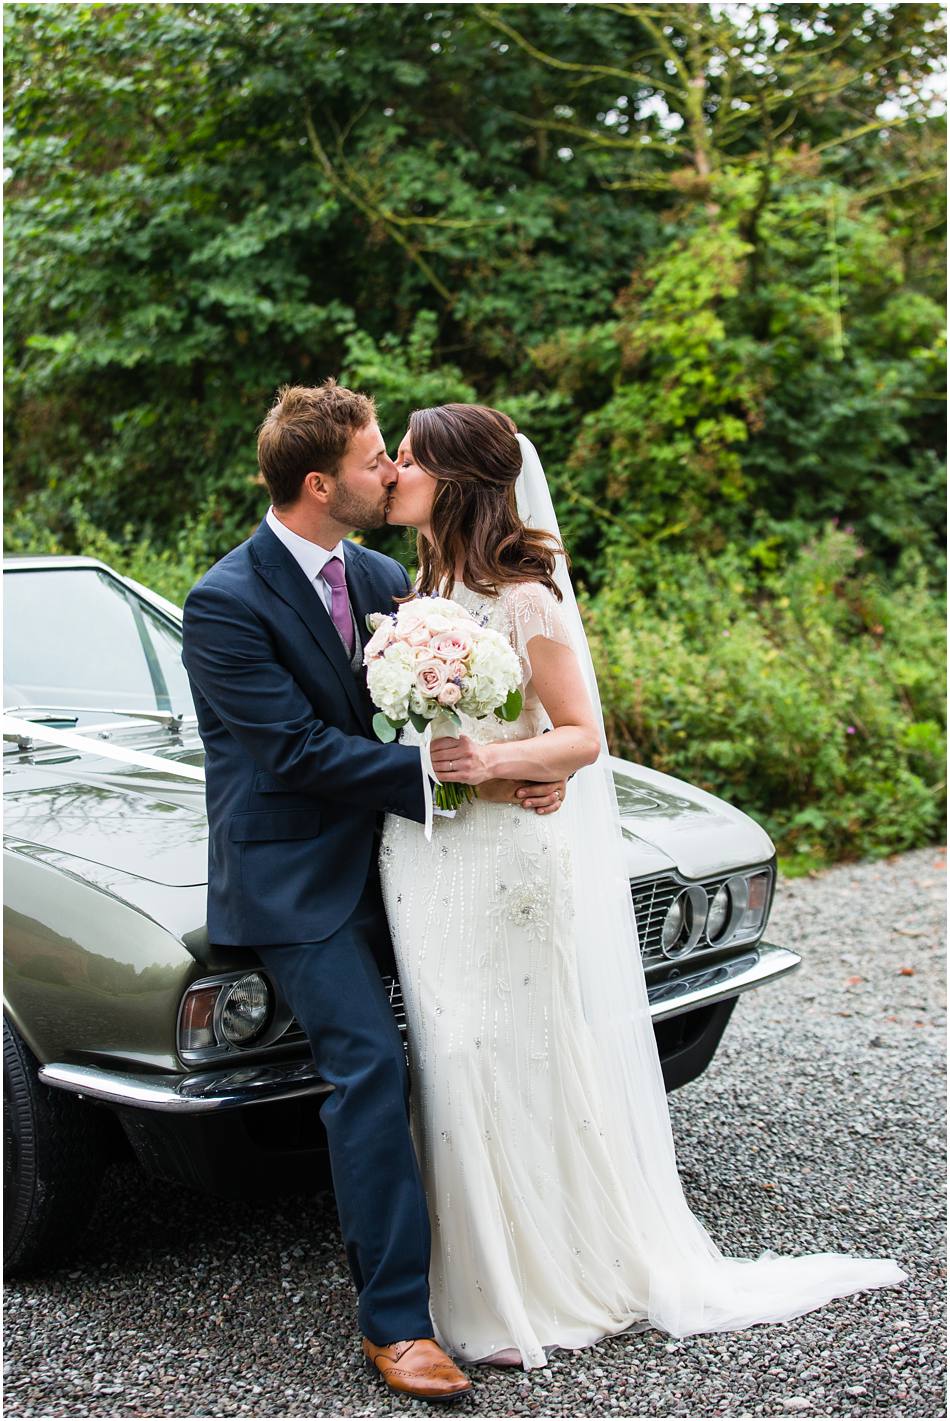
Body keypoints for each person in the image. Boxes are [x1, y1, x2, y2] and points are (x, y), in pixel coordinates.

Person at [378, 401, 909, 1371]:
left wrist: (495, 766)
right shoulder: (419, 590)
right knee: (450, 1058)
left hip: (500, 859)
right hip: (422, 859)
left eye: (406, 459)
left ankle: (539, 1282)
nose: (391, 471)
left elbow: (580, 735)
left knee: (499, 1051)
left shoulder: (521, 595)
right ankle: (476, 1276)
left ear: (450, 480)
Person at [181, 381, 567, 1401]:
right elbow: (297, 751)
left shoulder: (387, 569)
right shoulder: (225, 600)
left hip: (410, 860)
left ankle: (522, 1252)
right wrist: (451, 772)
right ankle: (395, 1320)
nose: (390, 471)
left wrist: (522, 758)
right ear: (320, 484)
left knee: (474, 1034)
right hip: (294, 877)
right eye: (370, 461)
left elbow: (433, 704)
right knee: (371, 1064)